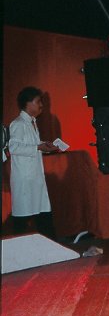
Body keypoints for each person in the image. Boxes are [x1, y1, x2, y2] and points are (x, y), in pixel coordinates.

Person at [8, 87, 59, 238]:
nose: (41, 105)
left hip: (34, 177)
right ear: (27, 103)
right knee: (23, 216)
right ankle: (18, 247)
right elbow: (13, 147)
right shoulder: (18, 124)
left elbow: (31, 145)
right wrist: (37, 147)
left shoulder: (32, 122)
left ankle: (50, 244)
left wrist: (44, 146)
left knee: (42, 211)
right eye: (38, 101)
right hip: (25, 179)